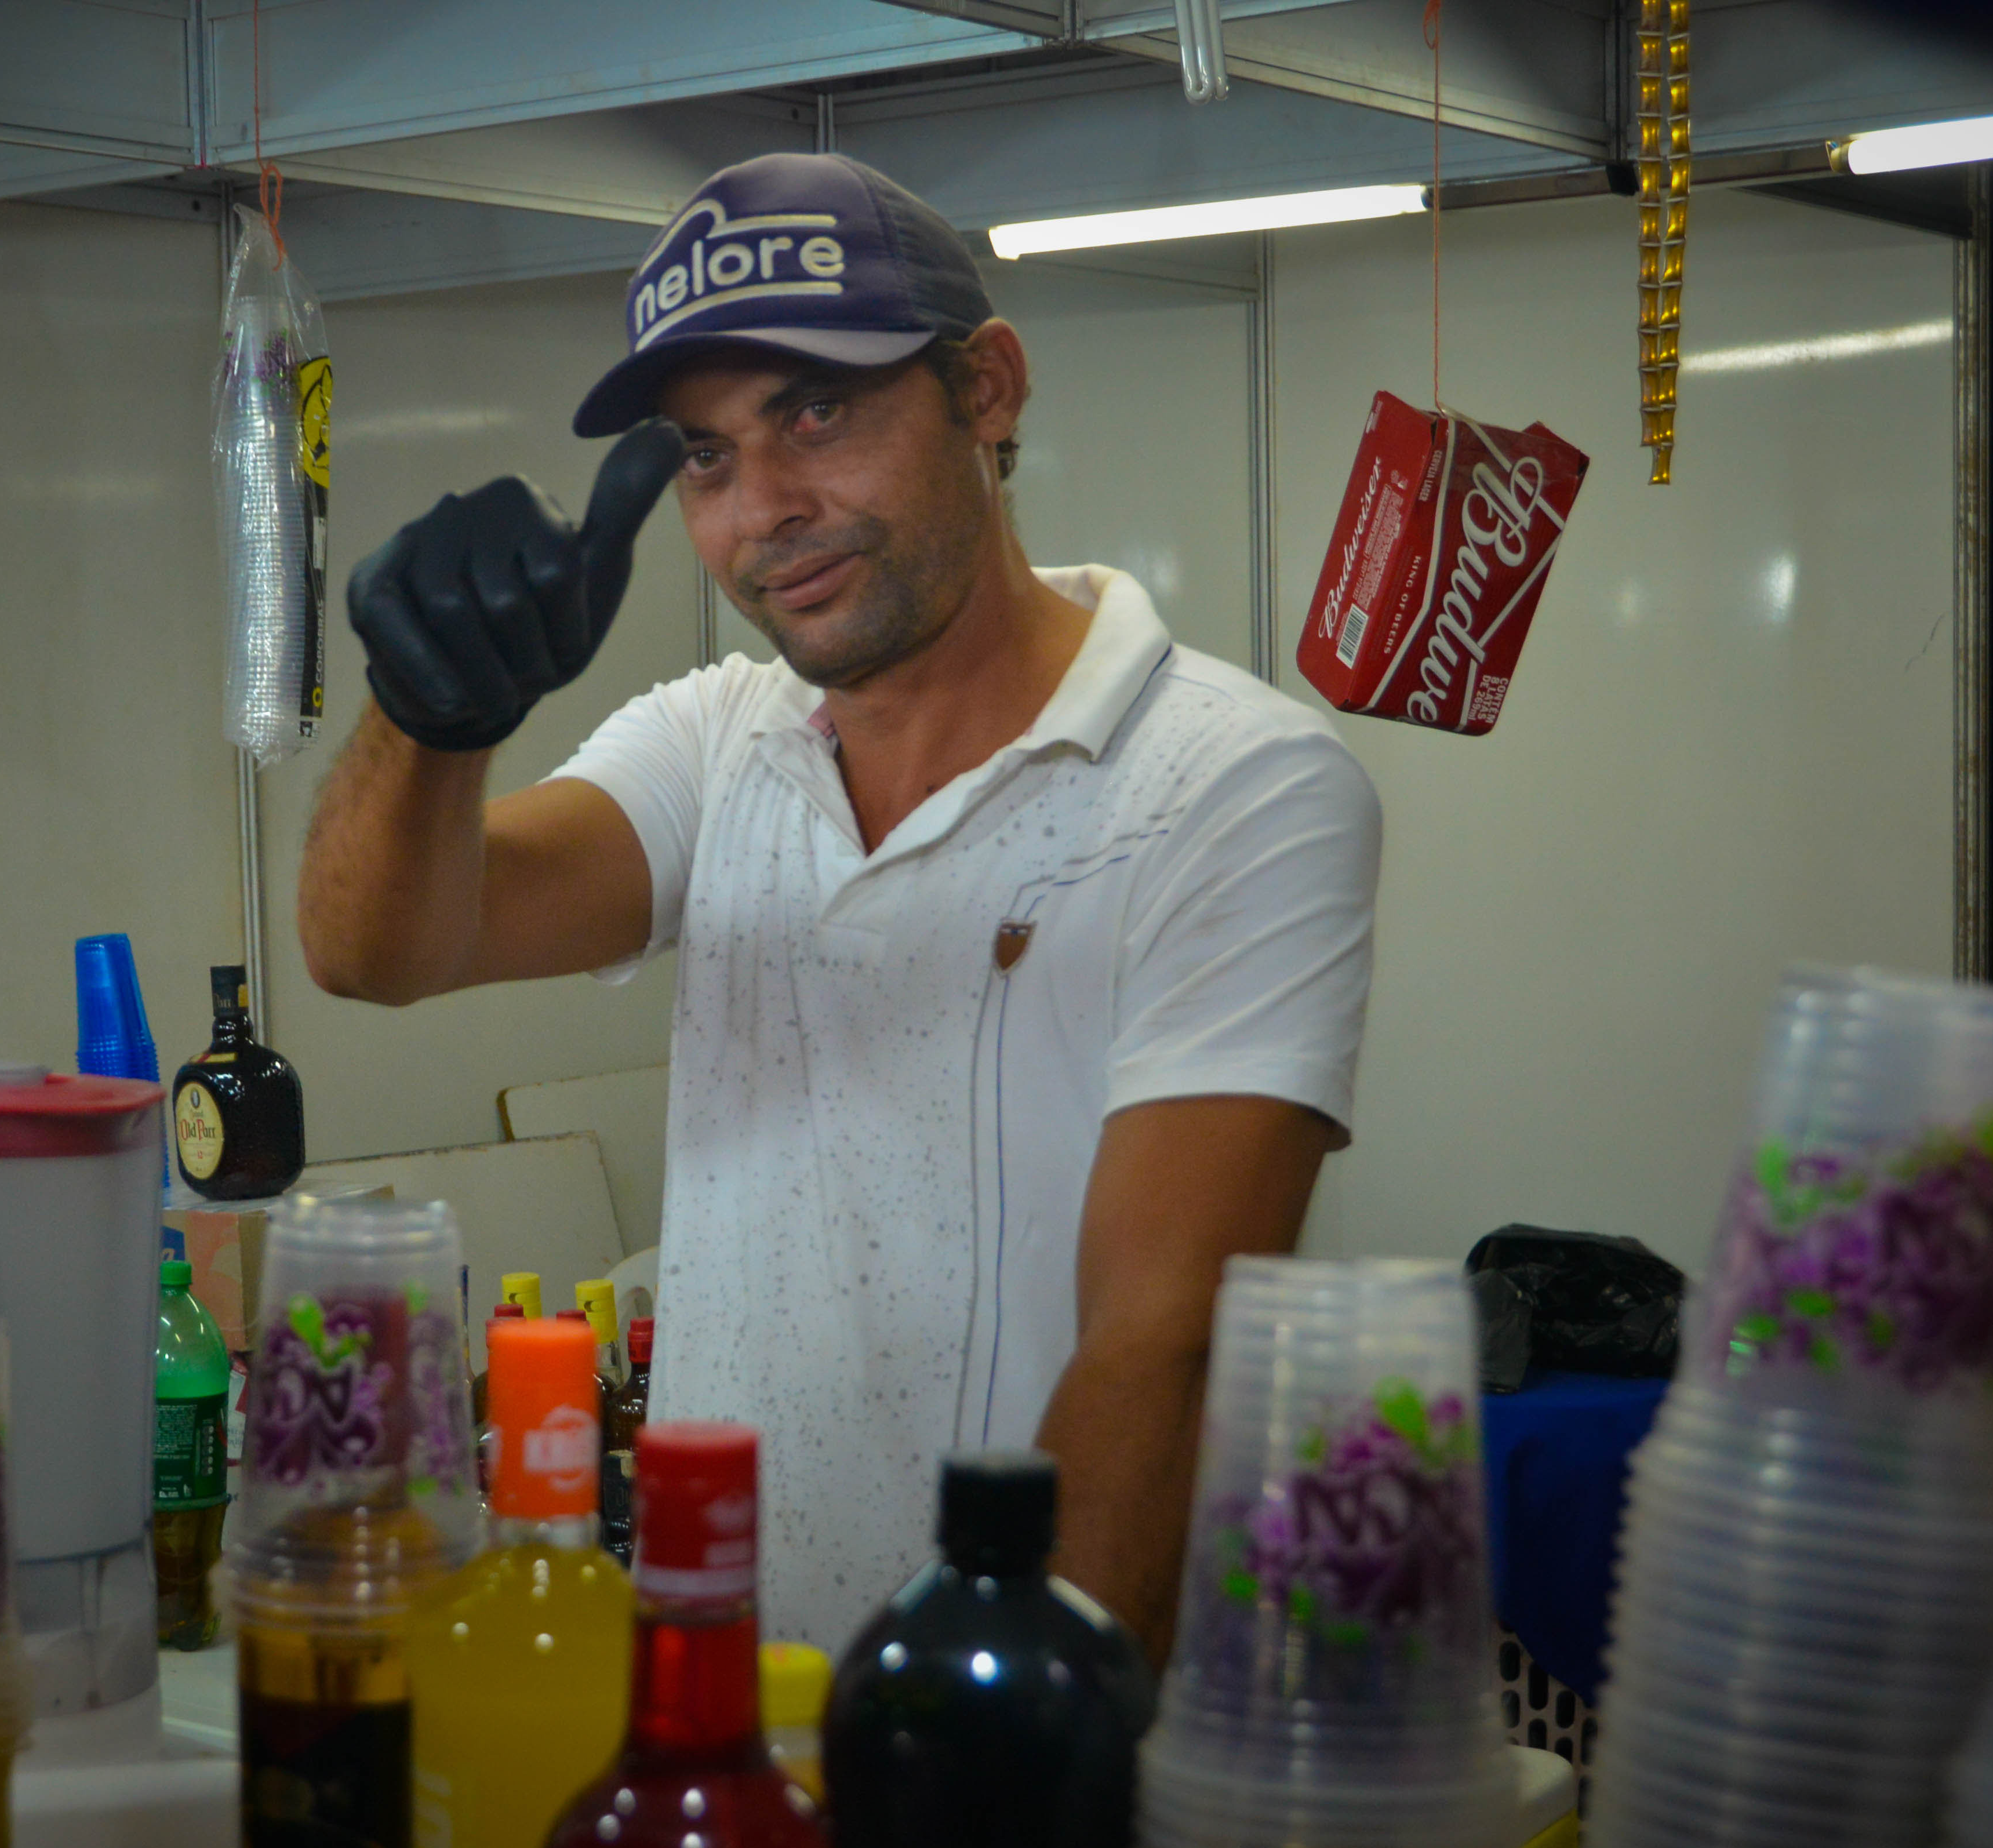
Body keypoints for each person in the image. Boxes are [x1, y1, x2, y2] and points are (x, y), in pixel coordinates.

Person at [298, 152, 1379, 1660]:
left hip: (1028, 1732)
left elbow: (1163, 1342)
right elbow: (375, 949)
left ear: (986, 389)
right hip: (724, 1714)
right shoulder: (719, 740)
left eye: (815, 411)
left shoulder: (1231, 781)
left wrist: (995, 1736)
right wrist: (426, 717)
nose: (767, 512)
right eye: (707, 455)